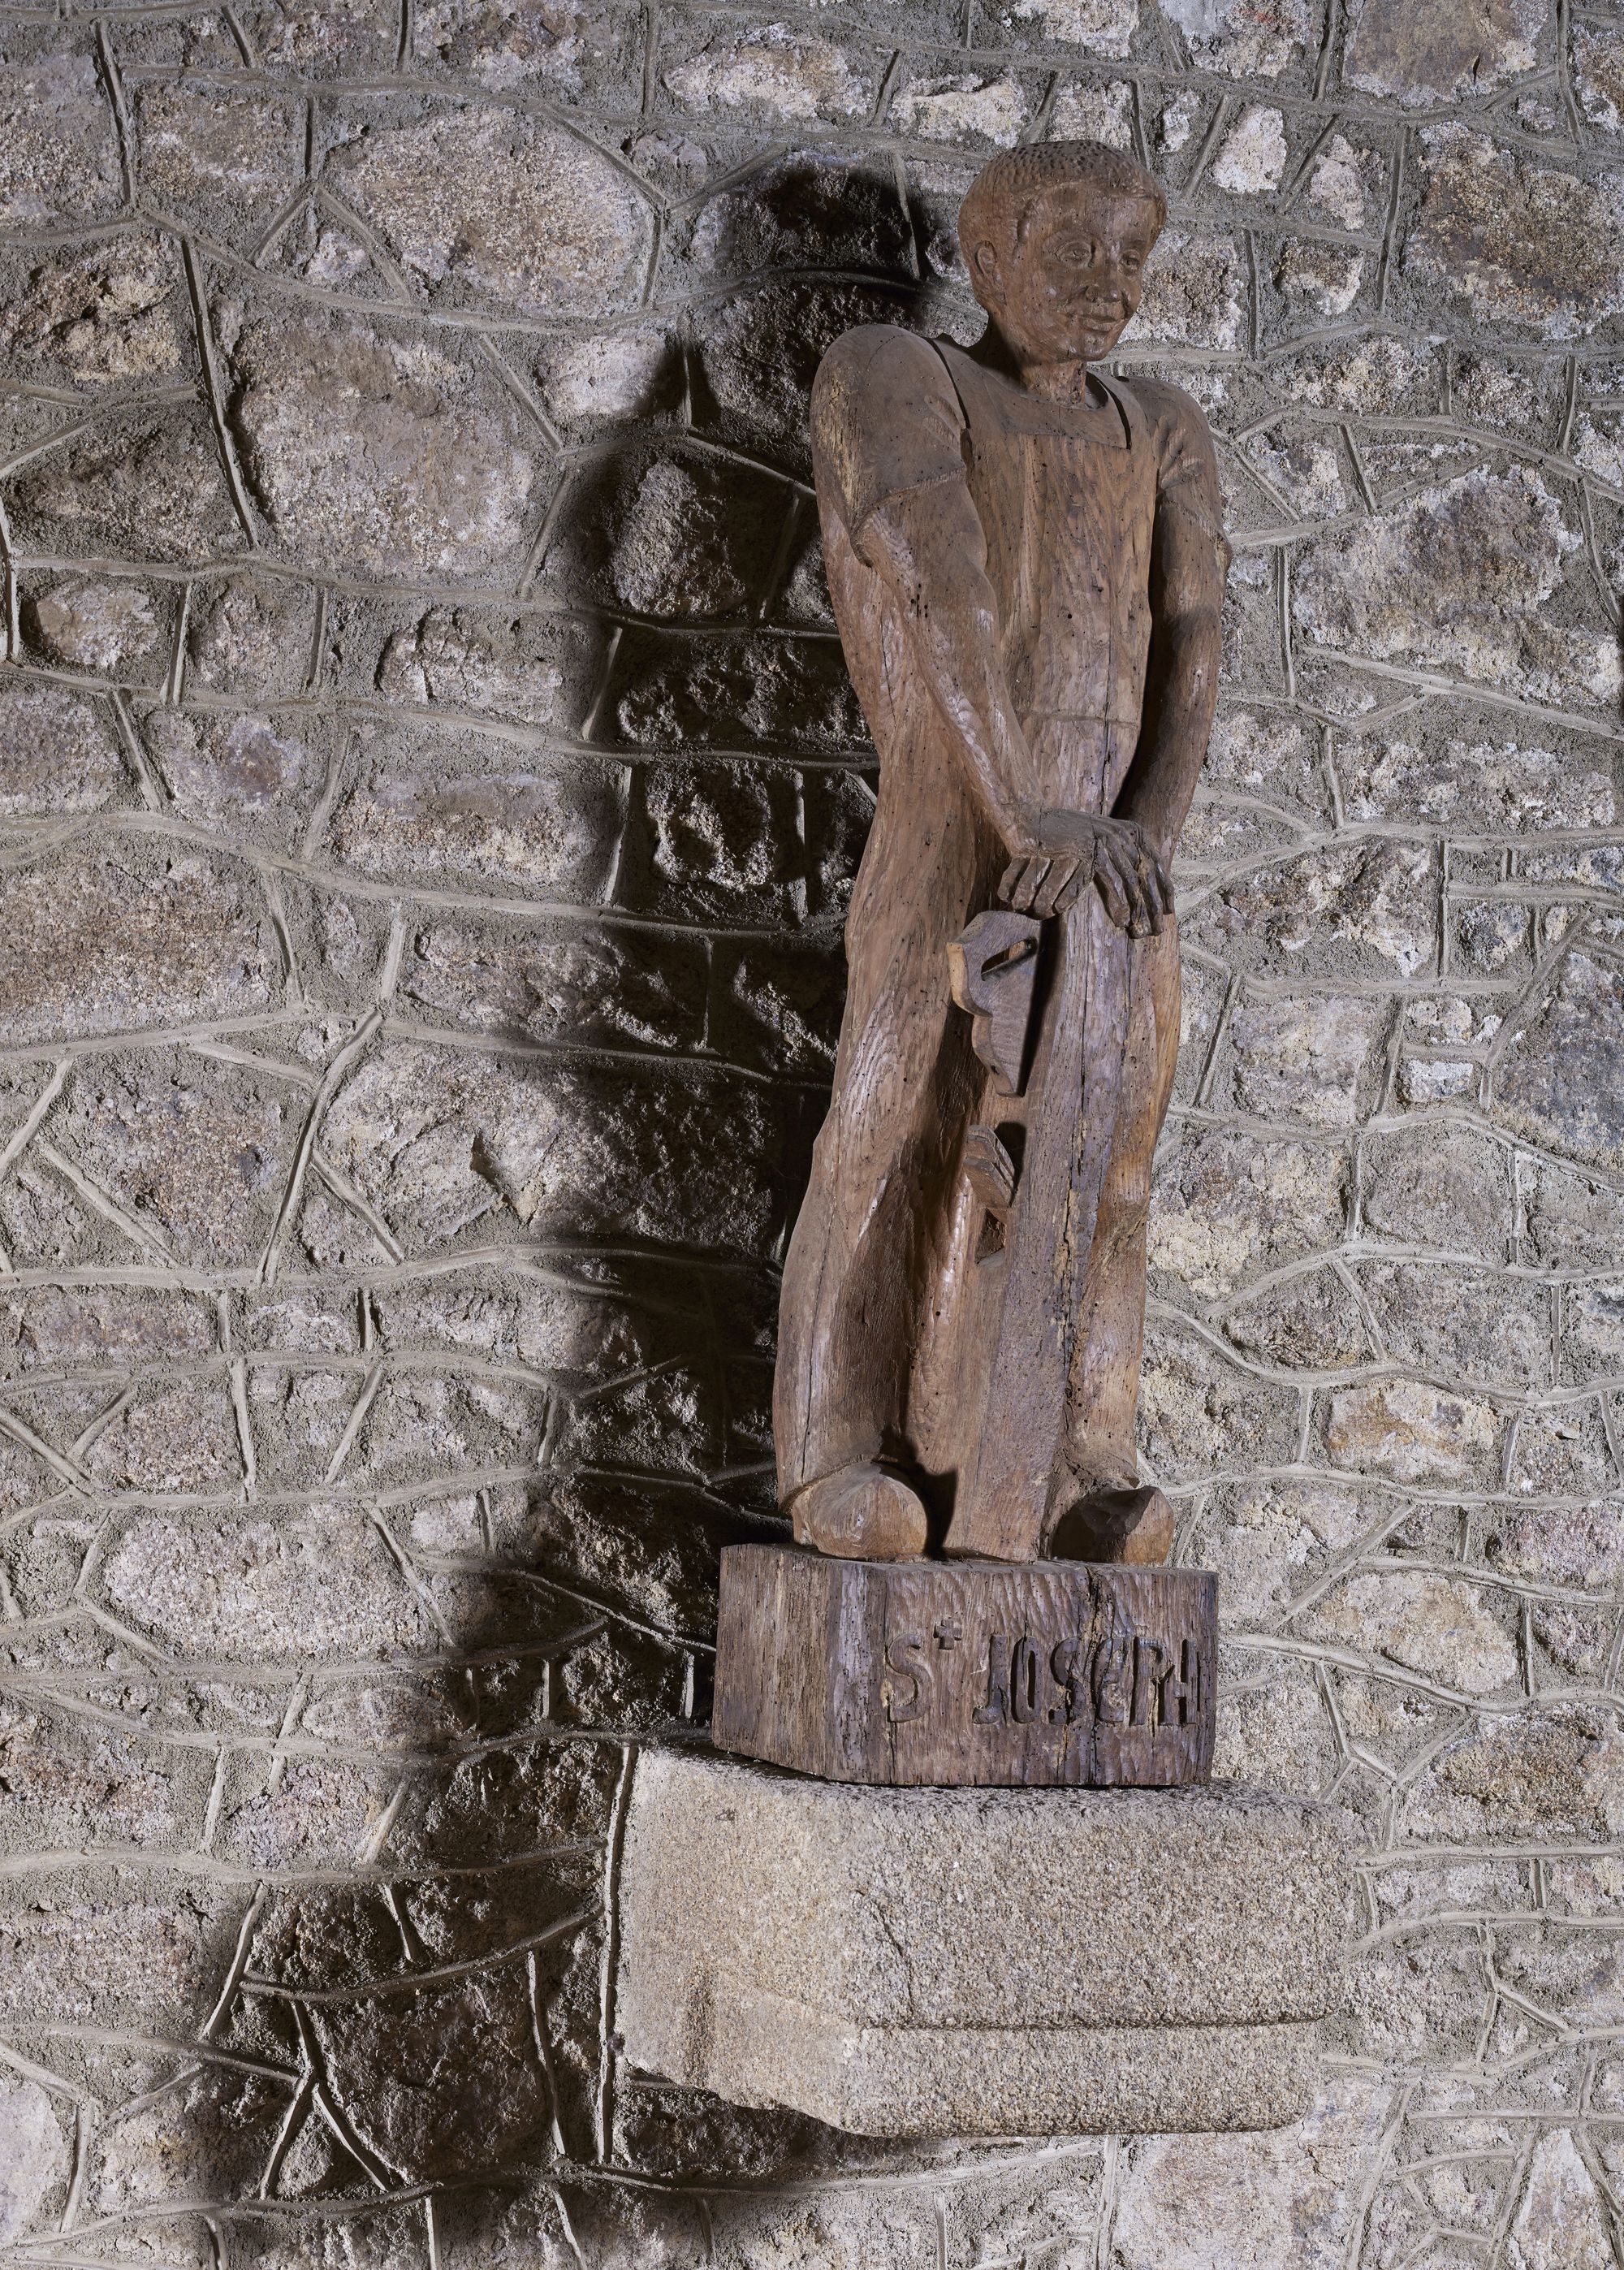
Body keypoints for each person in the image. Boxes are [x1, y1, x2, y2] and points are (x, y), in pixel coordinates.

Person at [776, 140, 1228, 1565]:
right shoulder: (892, 373)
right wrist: (1023, 810)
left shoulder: (1160, 426)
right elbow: (939, 578)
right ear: (987, 258)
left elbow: (1197, 639)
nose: (1111, 287)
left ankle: (1080, 1461)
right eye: (1075, 251)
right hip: (956, 818)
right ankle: (836, 1454)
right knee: (893, 1117)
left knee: (1110, 1159)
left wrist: (1142, 834)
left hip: (1117, 860)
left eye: (1132, 258)